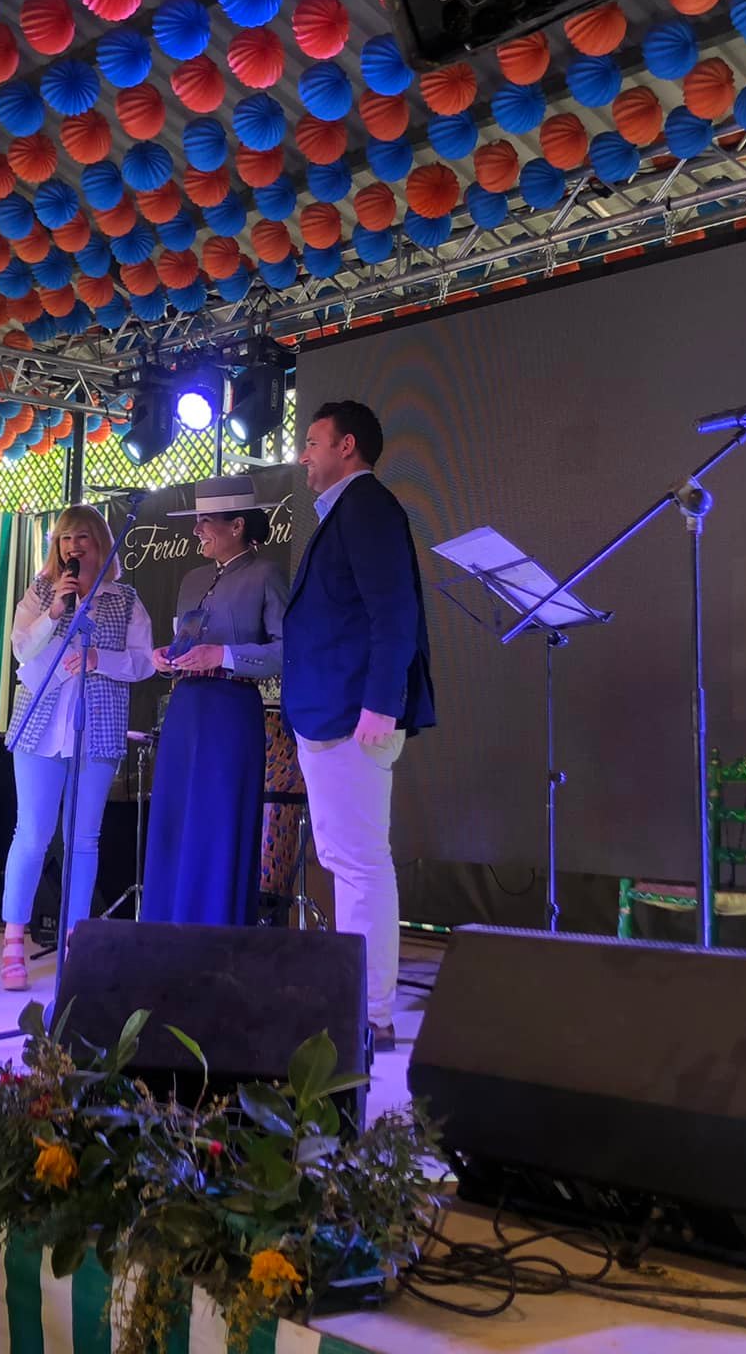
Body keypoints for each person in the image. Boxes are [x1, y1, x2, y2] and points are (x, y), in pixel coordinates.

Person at [282, 401, 435, 1052]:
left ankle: (370, 1014)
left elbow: (393, 612)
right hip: (333, 710)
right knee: (346, 860)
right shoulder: (345, 511)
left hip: (354, 712)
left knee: (362, 862)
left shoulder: (367, 505)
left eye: (312, 442)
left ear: (347, 446)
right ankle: (358, 1004)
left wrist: (381, 702)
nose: (303, 454)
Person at [0, 505, 154, 992]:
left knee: (83, 838)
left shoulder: (125, 599)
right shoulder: (41, 592)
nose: (73, 547)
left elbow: (145, 663)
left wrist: (99, 659)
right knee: (32, 834)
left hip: (98, 726)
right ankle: (13, 942)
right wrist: (54, 612)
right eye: (66, 539)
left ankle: (76, 942)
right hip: (39, 727)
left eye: (83, 537)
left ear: (101, 542)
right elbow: (21, 648)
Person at [140, 475, 289, 927]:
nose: (197, 530)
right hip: (186, 709)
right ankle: (167, 925)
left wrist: (223, 655)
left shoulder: (265, 575)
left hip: (230, 709)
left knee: (217, 818)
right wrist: (167, 658)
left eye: (206, 521)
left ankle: (214, 926)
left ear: (237, 525)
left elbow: (287, 650)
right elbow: (184, 640)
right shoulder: (192, 579)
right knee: (176, 816)